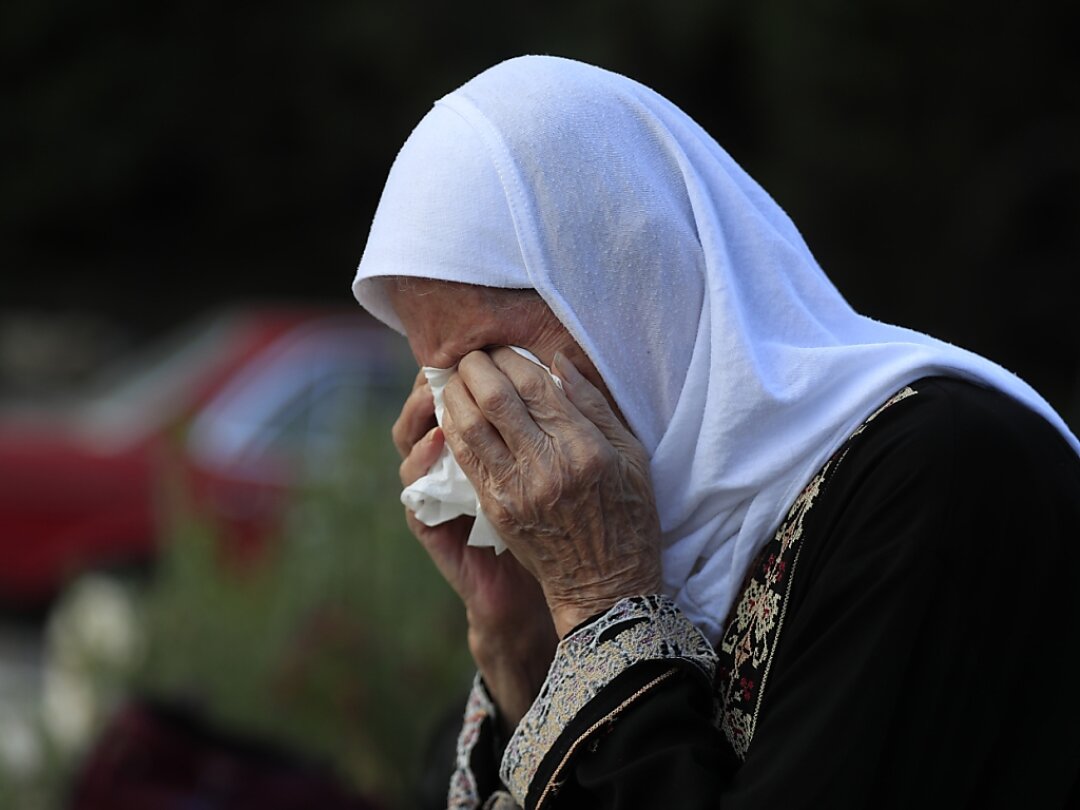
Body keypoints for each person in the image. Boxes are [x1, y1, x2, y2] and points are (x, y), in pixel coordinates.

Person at [351, 55, 1080, 809]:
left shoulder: (942, 480)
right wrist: (520, 643)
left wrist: (602, 600)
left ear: (629, 296)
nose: (466, 418)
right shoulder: (656, 536)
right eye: (437, 379)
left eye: (485, 362)